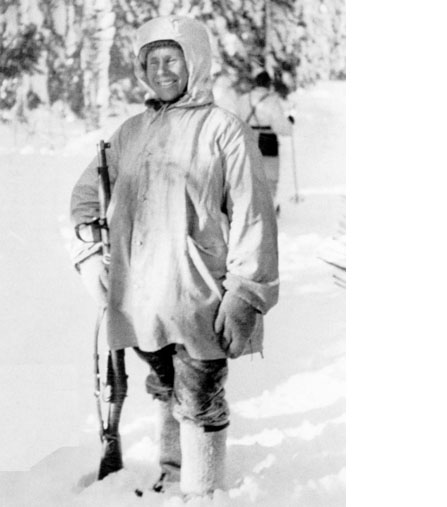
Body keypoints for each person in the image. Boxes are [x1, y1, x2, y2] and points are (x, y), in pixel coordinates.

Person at [70, 16, 279, 498]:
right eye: (152, 61)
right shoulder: (129, 133)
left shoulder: (224, 130)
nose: (162, 70)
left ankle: (202, 490)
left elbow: (254, 218)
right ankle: (172, 469)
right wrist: (89, 256)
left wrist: (246, 294)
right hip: (140, 295)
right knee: (165, 382)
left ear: (196, 62)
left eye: (173, 59)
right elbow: (85, 199)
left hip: (199, 291)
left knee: (200, 391)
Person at [237, 70, 294, 211]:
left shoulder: (243, 99)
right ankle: (268, 208)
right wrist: (290, 124)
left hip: (248, 139)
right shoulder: (272, 100)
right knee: (270, 177)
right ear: (268, 84)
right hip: (268, 140)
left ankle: (249, 207)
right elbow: (281, 126)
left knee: (249, 175)